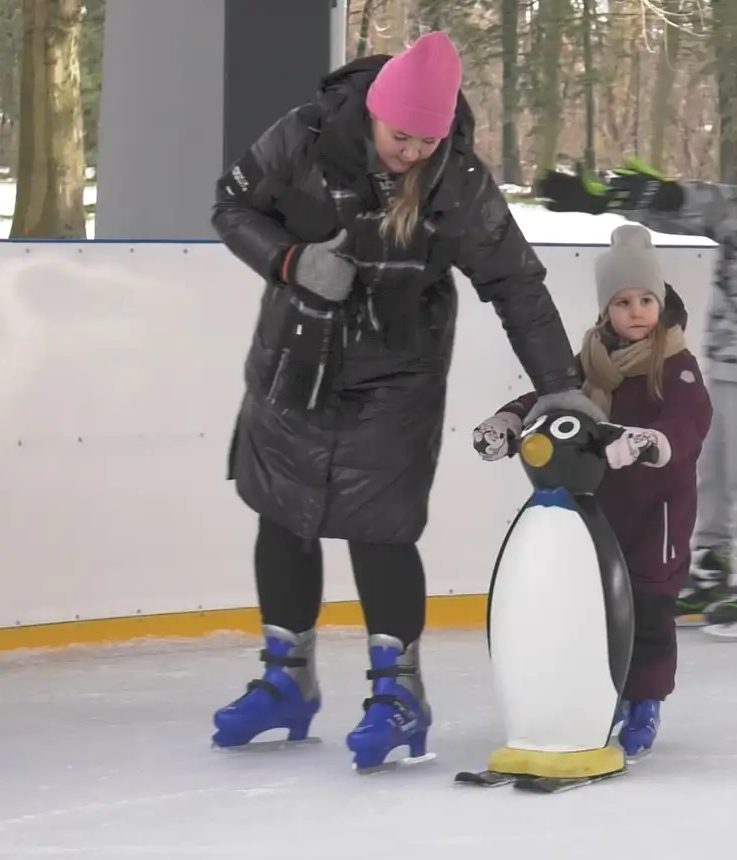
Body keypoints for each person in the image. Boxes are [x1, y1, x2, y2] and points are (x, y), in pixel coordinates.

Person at [206, 33, 603, 770]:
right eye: (402, 136)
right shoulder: (305, 136)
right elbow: (231, 205)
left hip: (399, 368)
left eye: (429, 138)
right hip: (297, 353)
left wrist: (558, 384)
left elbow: (514, 282)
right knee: (282, 510)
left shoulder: (458, 179)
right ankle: (284, 680)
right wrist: (290, 260)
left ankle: (400, 695)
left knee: (379, 522)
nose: (414, 150)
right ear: (373, 115)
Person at [533, 90, 737, 640]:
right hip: (731, 356)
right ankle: (712, 570)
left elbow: (726, 209)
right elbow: (692, 216)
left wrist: (666, 191)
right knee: (710, 471)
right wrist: (610, 201)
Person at [473, 224, 713, 757]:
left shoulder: (675, 366)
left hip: (658, 514)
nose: (636, 311)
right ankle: (598, 695)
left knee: (648, 607)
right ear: (606, 310)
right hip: (600, 512)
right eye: (623, 302)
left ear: (661, 302)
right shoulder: (590, 363)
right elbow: (551, 398)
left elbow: (690, 422)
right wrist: (511, 421)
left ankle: (645, 703)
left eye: (646, 299)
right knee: (598, 606)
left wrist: (651, 441)